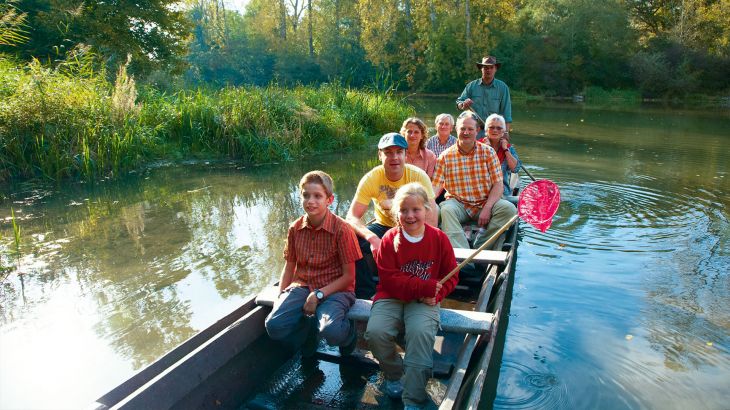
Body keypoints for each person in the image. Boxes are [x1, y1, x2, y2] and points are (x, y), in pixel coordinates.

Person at [365, 183, 459, 409]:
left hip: (423, 301)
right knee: (375, 333)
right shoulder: (389, 239)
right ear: (396, 213)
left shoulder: (439, 239)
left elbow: (452, 276)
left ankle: (414, 398)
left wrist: (438, 294)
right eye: (404, 210)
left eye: (415, 209)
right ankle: (394, 374)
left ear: (427, 209)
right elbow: (389, 281)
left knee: (419, 334)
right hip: (391, 296)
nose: (410, 215)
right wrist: (426, 287)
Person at [265, 171, 362, 358]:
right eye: (306, 195)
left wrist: (317, 295)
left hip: (336, 290)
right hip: (303, 285)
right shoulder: (295, 228)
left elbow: (349, 277)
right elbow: (289, 267)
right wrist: (281, 297)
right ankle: (308, 333)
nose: (311, 201)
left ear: (329, 199)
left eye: (318, 196)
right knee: (274, 326)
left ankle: (349, 336)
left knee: (331, 331)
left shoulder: (342, 230)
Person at [346, 133, 438, 299]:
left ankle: (414, 286)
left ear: (405, 154)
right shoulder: (371, 178)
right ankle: (366, 294)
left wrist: (423, 240)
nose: (394, 157)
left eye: (398, 152)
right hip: (383, 226)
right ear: (380, 155)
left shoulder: (418, 176)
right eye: (388, 152)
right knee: (349, 238)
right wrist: (373, 239)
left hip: (413, 225)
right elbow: (352, 217)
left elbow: (431, 212)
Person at [431, 111, 517, 251]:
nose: (466, 132)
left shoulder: (488, 152)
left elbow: (498, 185)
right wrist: (427, 201)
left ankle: (481, 247)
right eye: (462, 129)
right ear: (456, 130)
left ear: (477, 131)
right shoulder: (445, 156)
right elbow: (436, 186)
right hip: (458, 204)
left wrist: (488, 207)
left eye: (470, 129)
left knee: (509, 209)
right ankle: (462, 254)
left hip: (484, 202)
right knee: (445, 209)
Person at [456, 56, 513, 137]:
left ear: (495, 69)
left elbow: (506, 113)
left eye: (491, 67)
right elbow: (459, 103)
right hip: (474, 131)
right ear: (481, 69)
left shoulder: (503, 88)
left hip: (494, 132)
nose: (488, 70)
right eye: (485, 68)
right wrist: (463, 105)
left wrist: (506, 133)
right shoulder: (471, 86)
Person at [482, 113, 521, 199]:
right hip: (481, 192)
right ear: (486, 130)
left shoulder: (508, 148)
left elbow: (516, 169)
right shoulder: (478, 146)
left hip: (503, 194)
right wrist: (488, 149)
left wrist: (505, 149)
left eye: (499, 128)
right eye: (491, 127)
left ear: (503, 132)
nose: (495, 130)